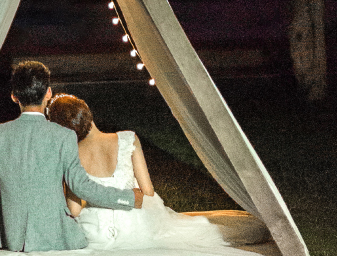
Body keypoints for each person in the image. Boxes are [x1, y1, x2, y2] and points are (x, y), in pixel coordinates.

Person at [0, 62, 143, 251]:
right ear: (48, 93)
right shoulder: (64, 136)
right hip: (55, 237)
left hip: (9, 238)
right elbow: (81, 186)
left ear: (14, 96)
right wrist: (129, 198)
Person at [47, 94, 230, 252]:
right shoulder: (128, 138)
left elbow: (74, 210)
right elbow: (147, 191)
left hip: (96, 231)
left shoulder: (71, 154)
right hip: (134, 225)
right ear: (88, 112)